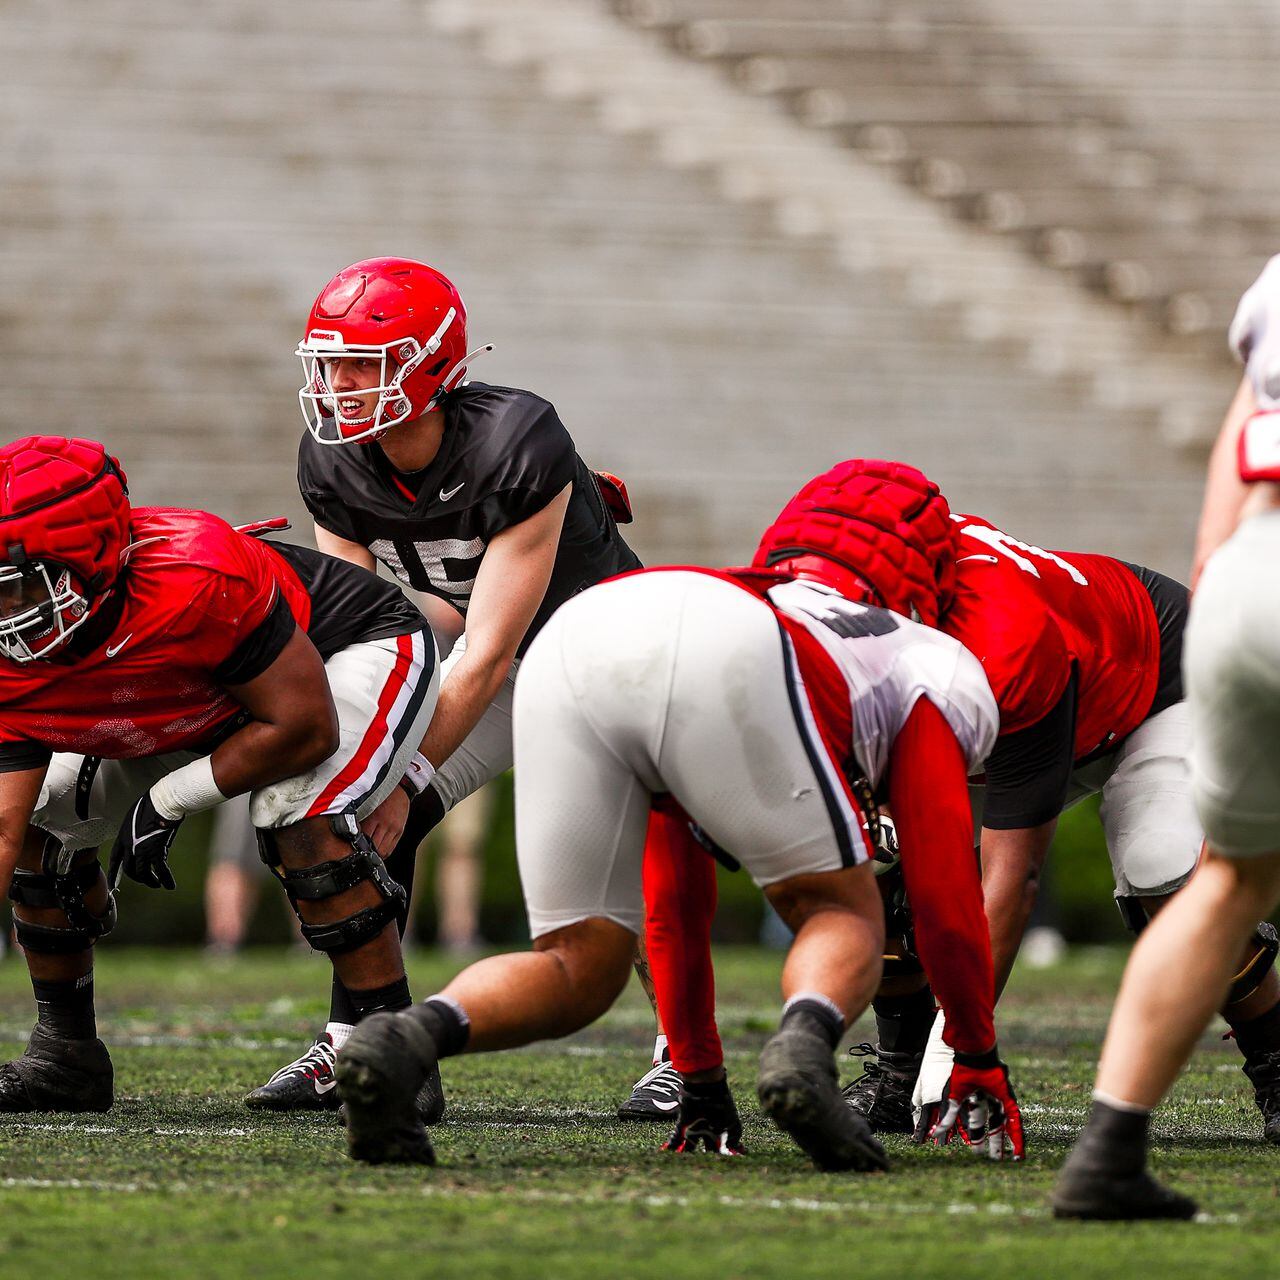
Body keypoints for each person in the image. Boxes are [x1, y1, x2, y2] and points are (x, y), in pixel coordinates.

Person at [640, 459, 1280, 1144]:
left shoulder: (1006, 642)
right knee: (880, 857)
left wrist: (962, 1058)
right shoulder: (812, 609)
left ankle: (1275, 1062)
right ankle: (894, 1071)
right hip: (1005, 709)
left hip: (1150, 686)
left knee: (1164, 877)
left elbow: (1010, 881)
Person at [333, 564, 1025, 1169]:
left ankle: (405, 1039)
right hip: (713, 645)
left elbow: (673, 896)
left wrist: (698, 1079)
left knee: (578, 965)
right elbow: (945, 897)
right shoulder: (944, 674)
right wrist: (975, 1055)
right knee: (838, 909)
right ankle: (805, 1051)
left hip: (572, 641)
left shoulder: (821, 627)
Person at [246, 255, 652, 1113]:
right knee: (353, 809)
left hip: (607, 661)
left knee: (644, 847)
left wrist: (412, 774)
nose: (341, 385)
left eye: (365, 361)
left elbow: (491, 650)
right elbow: (358, 634)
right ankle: (367, 1045)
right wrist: (360, 770)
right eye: (331, 362)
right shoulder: (334, 461)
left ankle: (687, 1051)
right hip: (494, 665)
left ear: (430, 364)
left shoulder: (516, 440)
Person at [0, 436, 438, 1113]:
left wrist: (167, 800)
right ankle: (66, 1054)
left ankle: (392, 1050)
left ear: (82, 564)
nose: (7, 611)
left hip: (340, 652)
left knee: (299, 815)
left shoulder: (195, 576)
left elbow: (304, 727)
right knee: (40, 828)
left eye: (17, 585)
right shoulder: (23, 645)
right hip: (190, 695)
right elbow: (3, 827)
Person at [1053, 256, 1280, 1219]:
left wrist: (1223, 596)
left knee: (1226, 881)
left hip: (1244, 584)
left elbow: (1237, 446)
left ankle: (1107, 1154)